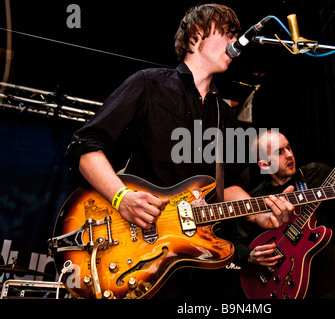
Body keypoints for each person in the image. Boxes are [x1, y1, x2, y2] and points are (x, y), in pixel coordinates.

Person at [64, 3, 293, 298]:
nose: (234, 42)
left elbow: (230, 186)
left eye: (236, 34)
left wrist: (260, 215)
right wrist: (122, 198)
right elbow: (84, 146)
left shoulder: (225, 114)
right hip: (135, 247)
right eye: (225, 33)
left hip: (192, 261)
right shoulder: (149, 84)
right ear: (195, 35)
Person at [226, 126, 335, 299]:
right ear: (264, 164)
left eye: (289, 147)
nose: (289, 155)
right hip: (283, 287)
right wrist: (250, 255)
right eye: (279, 152)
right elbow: (233, 243)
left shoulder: (314, 173)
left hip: (327, 283)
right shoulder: (257, 197)